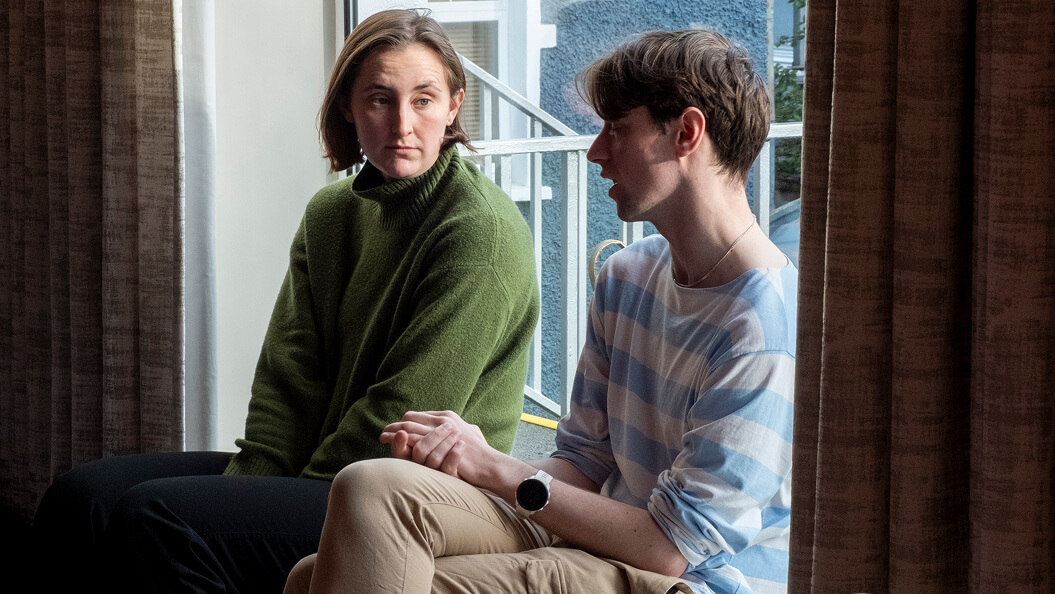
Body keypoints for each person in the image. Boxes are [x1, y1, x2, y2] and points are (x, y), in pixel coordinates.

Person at [32, 9, 538, 593]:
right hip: (318, 473)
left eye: (423, 100)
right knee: (82, 498)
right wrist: (254, 482)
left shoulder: (480, 233)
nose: (403, 123)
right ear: (348, 105)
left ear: (453, 107)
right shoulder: (333, 213)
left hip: (414, 495)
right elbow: (289, 374)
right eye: (380, 98)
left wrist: (273, 501)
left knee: (160, 516)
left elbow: (401, 417)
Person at [284, 28, 797, 594]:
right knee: (366, 487)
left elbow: (672, 547)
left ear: (687, 133)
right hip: (599, 535)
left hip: (693, 578)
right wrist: (464, 453)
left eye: (617, 130)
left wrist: (493, 466)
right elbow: (581, 460)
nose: (595, 151)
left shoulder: (762, 328)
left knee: (326, 579)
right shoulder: (629, 275)